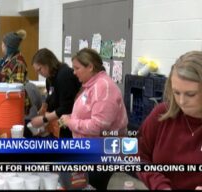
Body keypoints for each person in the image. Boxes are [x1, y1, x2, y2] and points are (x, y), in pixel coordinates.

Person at [61, 48, 128, 190]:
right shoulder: (92, 85)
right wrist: (71, 117)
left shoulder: (103, 88)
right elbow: (89, 112)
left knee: (91, 185)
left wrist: (71, 122)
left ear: (90, 67)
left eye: (77, 68)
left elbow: (98, 126)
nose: (74, 72)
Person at [136, 51, 202, 190]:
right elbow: (137, 153)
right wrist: (159, 184)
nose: (182, 101)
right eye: (176, 92)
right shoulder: (161, 115)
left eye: (190, 94)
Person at [30, 48, 81, 138]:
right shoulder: (50, 78)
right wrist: (44, 106)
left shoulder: (64, 76)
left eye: (39, 69)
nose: (39, 74)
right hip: (60, 122)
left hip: (72, 124)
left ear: (47, 63)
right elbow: (51, 93)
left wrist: (44, 119)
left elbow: (67, 107)